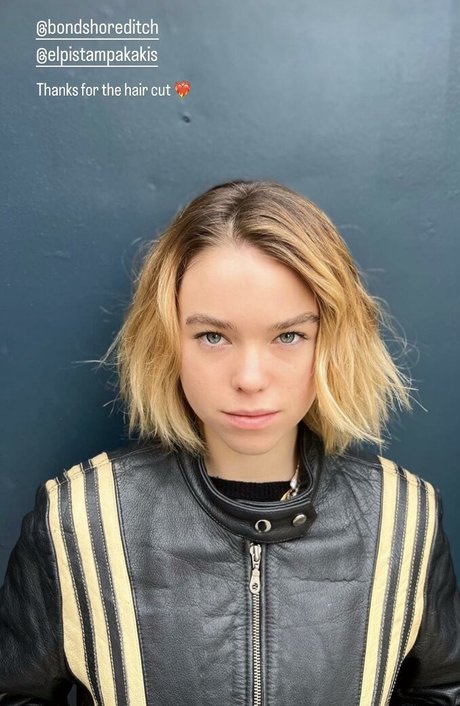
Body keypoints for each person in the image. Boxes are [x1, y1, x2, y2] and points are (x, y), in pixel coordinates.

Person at [0, 179, 459, 705]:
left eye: (289, 336)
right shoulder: (77, 518)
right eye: (213, 336)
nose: (249, 378)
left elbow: (442, 688)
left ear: (332, 341)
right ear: (168, 340)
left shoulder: (404, 517)